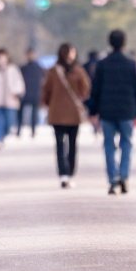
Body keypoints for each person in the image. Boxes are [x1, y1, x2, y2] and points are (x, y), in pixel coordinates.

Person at [88, 29, 136, 195]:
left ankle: (113, 179)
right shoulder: (131, 64)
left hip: (107, 111)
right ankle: (124, 176)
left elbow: (95, 90)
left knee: (108, 145)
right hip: (127, 110)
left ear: (110, 43)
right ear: (124, 43)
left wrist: (93, 110)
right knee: (126, 143)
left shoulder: (102, 64)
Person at [41, 43, 90, 187]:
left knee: (62, 144)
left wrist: (49, 104)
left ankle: (64, 173)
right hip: (72, 114)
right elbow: (85, 90)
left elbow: (46, 91)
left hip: (57, 113)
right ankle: (69, 172)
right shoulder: (78, 71)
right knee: (70, 144)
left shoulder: (53, 71)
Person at [18, 54, 44, 135]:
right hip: (27, 93)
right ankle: (20, 129)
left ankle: (31, 130)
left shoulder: (38, 68)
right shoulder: (24, 68)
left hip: (33, 93)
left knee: (33, 114)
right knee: (23, 113)